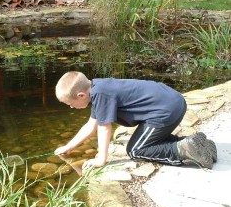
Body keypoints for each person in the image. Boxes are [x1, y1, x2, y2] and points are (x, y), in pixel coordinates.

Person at [54, 71, 217, 170]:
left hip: (165, 111)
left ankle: (184, 149)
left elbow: (104, 128)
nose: (71, 108)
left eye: (70, 104)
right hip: (173, 101)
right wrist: (68, 147)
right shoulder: (99, 87)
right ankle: (197, 144)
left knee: (136, 150)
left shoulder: (101, 95)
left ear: (81, 95)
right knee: (146, 142)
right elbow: (90, 126)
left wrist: (100, 159)